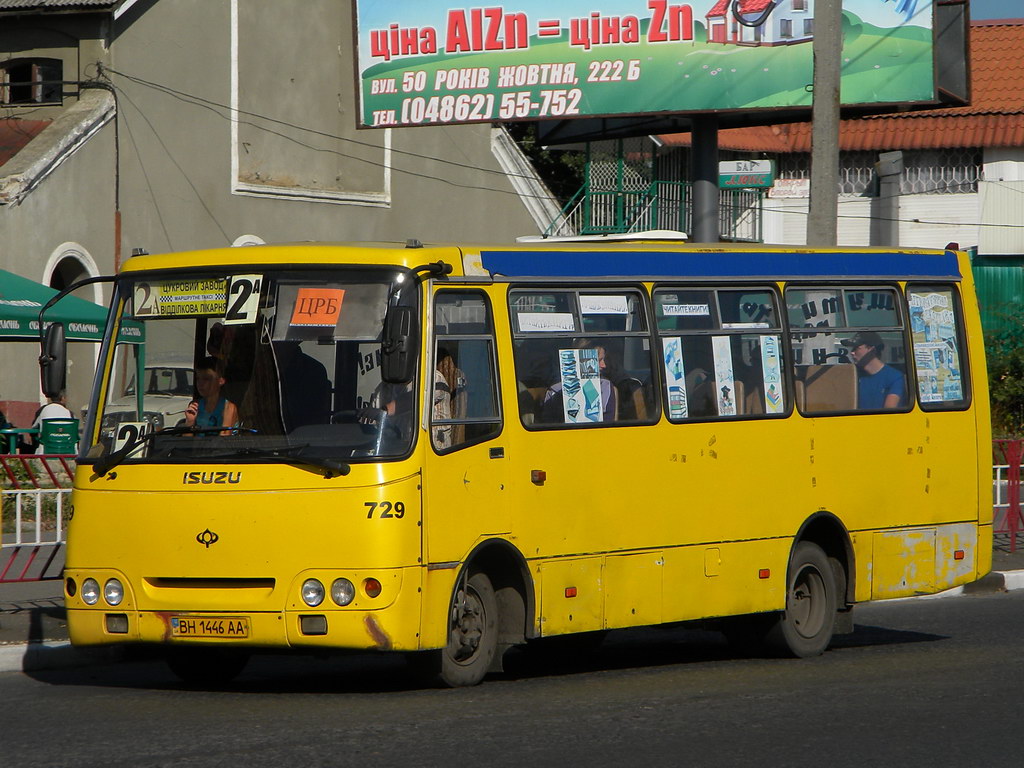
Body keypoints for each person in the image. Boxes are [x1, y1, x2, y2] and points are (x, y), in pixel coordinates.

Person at [841, 331, 905, 410]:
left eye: (856, 348)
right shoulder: (853, 377)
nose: (852, 353)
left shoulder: (895, 377)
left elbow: (889, 412)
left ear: (871, 349)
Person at [184, 357, 239, 435]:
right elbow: (187, 441)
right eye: (198, 378)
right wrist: (190, 422)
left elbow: (224, 439)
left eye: (206, 379)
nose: (200, 383)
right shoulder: (195, 406)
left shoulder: (228, 408)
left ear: (221, 381)